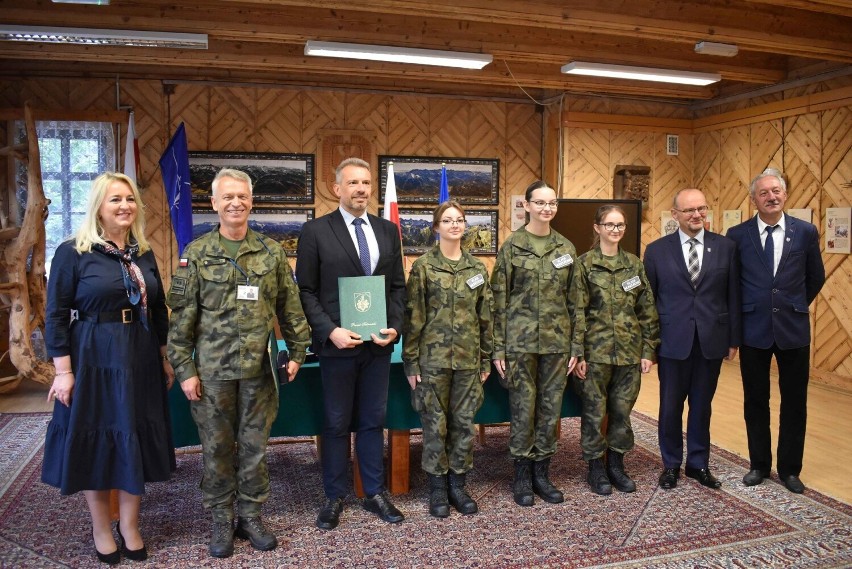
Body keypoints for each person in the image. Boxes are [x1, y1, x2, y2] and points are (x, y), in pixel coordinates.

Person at [167, 168, 310, 558]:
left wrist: (297, 352)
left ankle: (250, 516)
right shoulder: (196, 254)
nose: (235, 203)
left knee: (254, 447)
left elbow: (290, 308)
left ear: (251, 201)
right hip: (212, 375)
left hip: (259, 371)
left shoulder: (271, 252)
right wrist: (185, 370)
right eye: (227, 197)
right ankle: (219, 519)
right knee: (215, 449)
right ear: (213, 203)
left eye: (242, 196)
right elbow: (180, 321)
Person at [42, 172, 175, 565]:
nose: (124, 206)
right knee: (98, 439)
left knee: (132, 434)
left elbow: (159, 309)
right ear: (99, 206)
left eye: (130, 199)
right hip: (93, 356)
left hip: (140, 355)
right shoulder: (73, 251)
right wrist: (63, 371)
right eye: (115, 199)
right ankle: (102, 527)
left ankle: (131, 525)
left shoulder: (143, 251)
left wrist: (164, 357)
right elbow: (55, 315)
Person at [296, 157, 407, 530]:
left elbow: (396, 288)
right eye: (353, 183)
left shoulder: (387, 231)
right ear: (337, 187)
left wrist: (395, 327)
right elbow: (306, 291)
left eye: (366, 183)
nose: (361, 189)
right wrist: (330, 331)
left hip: (377, 345)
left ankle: (373, 492)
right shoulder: (315, 231)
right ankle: (334, 496)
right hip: (337, 346)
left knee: (373, 420)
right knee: (337, 422)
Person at [726, 168, 825, 494]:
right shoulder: (738, 235)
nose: (771, 197)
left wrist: (793, 304)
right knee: (756, 400)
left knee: (795, 402)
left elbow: (815, 277)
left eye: (776, 191)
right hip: (753, 328)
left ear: (785, 195)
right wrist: (735, 332)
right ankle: (758, 465)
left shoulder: (806, 231)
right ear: (754, 199)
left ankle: (790, 469)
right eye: (764, 192)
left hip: (792, 329)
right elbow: (732, 286)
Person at [643, 188, 740, 491]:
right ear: (675, 215)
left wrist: (733, 338)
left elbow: (733, 296)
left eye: (701, 208)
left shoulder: (726, 248)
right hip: (672, 341)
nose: (697, 215)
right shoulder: (657, 251)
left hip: (711, 340)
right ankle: (671, 464)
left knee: (702, 405)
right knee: (670, 406)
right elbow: (648, 302)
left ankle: (698, 464)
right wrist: (649, 344)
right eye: (689, 211)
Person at [490, 180, 580, 507]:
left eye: (552, 203)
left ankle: (543, 472)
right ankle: (521, 473)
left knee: (549, 407)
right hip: (520, 342)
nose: (546, 208)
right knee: (522, 407)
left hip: (557, 343)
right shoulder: (513, 245)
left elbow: (576, 302)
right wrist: (497, 347)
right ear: (526, 206)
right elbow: (498, 300)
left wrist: (576, 346)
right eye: (540, 203)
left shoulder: (567, 248)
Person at [403, 200, 493, 518]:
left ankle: (458, 485)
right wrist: (410, 361)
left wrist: (485, 359)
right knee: (434, 426)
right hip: (433, 361)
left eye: (459, 220)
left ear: (465, 226)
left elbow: (486, 318)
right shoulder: (424, 267)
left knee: (463, 425)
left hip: (468, 361)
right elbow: (414, 317)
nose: (454, 225)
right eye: (447, 220)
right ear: (436, 227)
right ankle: (438, 489)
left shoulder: (477, 269)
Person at [573, 205, 660, 495]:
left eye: (620, 225)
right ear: (597, 228)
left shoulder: (634, 265)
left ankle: (617, 466)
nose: (615, 230)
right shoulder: (584, 265)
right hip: (595, 356)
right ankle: (596, 469)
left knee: (621, 413)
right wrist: (580, 354)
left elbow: (646, 309)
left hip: (628, 354)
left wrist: (648, 350)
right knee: (594, 413)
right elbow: (577, 312)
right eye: (609, 224)